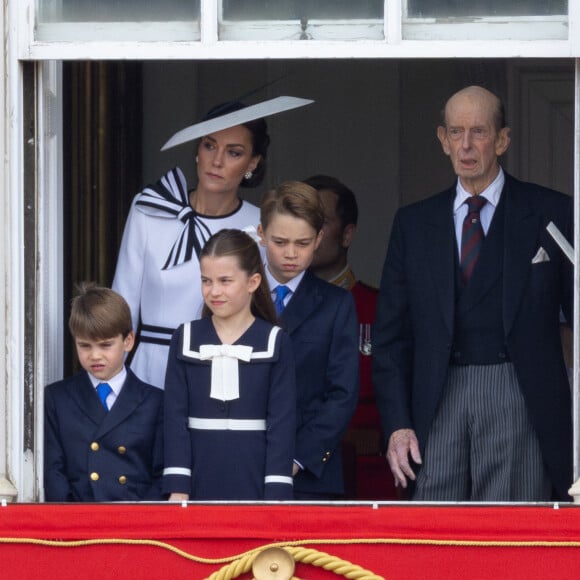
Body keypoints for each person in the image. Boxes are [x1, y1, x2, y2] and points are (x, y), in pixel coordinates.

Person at [373, 85, 573, 501]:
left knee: (508, 535)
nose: (466, 145)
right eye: (456, 132)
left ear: (502, 140)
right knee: (435, 534)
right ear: (442, 139)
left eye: (479, 132)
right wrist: (397, 424)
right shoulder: (413, 223)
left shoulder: (554, 212)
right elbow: (390, 339)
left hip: (519, 395)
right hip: (435, 395)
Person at [112, 96, 311, 388]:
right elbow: (121, 304)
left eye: (234, 152)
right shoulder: (150, 209)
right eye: (209, 145)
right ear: (197, 150)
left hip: (223, 371)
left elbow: (268, 310)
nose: (217, 161)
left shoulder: (260, 225)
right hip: (151, 370)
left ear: (252, 163)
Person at [162, 229, 296, 501]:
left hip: (254, 477)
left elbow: (282, 423)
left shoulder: (275, 341)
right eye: (206, 281)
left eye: (225, 281)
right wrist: (178, 485)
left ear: (253, 281)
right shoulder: (185, 337)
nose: (214, 291)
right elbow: (174, 418)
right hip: (197, 477)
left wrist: (277, 492)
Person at [258, 181, 359, 499]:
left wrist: (298, 458)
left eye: (302, 243)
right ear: (261, 234)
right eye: (279, 241)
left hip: (310, 473)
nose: (290, 254)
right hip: (239, 464)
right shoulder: (234, 296)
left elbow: (342, 394)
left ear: (318, 239)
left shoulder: (336, 305)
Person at [305, 174, 398, 500]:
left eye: (322, 221)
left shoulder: (381, 309)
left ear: (347, 234)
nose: (310, 231)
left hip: (369, 478)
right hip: (298, 472)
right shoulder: (272, 311)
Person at [44, 283, 163, 502]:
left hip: (135, 527)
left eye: (105, 345)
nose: (95, 355)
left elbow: (160, 475)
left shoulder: (155, 402)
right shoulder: (56, 398)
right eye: (85, 346)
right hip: (78, 526)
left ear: (128, 341)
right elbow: (54, 473)